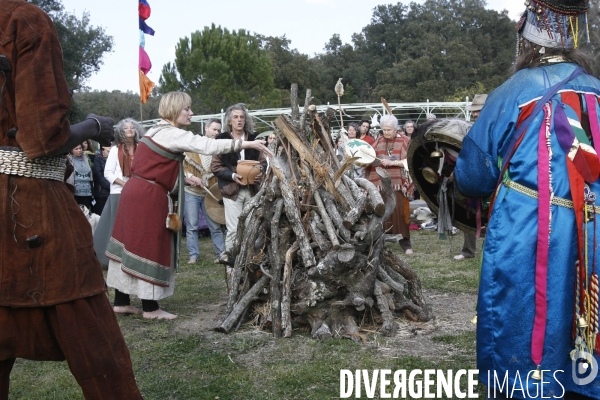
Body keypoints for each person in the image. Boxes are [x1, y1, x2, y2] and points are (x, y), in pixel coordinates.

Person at [454, 0, 600, 396]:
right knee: (586, 311)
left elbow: (471, 176)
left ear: (527, 39)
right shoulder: (598, 91)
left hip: (530, 227)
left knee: (526, 318)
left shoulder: (513, 91)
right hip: (593, 228)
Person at [0, 1, 142, 398]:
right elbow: (43, 139)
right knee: (98, 350)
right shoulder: (23, 20)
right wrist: (96, 125)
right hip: (32, 214)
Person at [106, 93, 272, 320]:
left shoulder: (154, 130)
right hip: (148, 196)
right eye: (187, 109)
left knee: (130, 244)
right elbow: (207, 145)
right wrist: (247, 142)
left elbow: (159, 164)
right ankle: (150, 308)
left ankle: (121, 301)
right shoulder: (171, 133)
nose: (191, 113)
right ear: (175, 110)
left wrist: (181, 181)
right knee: (149, 246)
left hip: (135, 192)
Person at [212, 103, 269, 265]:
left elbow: (263, 163)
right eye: (235, 117)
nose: (239, 120)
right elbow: (215, 167)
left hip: (252, 190)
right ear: (229, 121)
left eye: (242, 117)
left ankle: (250, 262)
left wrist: (259, 173)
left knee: (252, 228)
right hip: (232, 190)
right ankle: (232, 265)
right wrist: (232, 175)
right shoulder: (221, 139)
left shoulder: (254, 138)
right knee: (233, 229)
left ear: (246, 120)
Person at [93, 118, 143, 268]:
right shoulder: (115, 149)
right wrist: (125, 184)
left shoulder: (141, 148)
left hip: (138, 193)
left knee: (136, 226)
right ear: (121, 131)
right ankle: (113, 260)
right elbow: (108, 173)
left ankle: (134, 258)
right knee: (117, 227)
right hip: (119, 193)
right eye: (126, 128)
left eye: (132, 127)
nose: (129, 129)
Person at [366, 115, 414, 254]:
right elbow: (370, 157)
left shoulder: (405, 140)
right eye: (384, 129)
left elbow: (409, 161)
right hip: (381, 182)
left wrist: (392, 163)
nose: (386, 132)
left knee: (400, 211)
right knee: (382, 211)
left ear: (395, 128)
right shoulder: (379, 141)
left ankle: (405, 243)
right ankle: (380, 242)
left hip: (398, 182)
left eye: (389, 130)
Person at [183, 117, 225, 264]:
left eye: (218, 130)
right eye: (214, 129)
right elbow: (183, 166)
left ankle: (221, 254)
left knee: (215, 225)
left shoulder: (219, 148)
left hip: (211, 193)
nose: (216, 132)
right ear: (206, 128)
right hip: (192, 192)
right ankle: (193, 255)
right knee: (192, 225)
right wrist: (191, 177)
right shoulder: (193, 145)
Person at [453, 94, 487, 261]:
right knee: (468, 210)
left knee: (493, 214)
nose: (474, 114)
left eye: (478, 111)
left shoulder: (496, 126)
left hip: (491, 175)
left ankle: (492, 251)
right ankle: (468, 251)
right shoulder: (471, 128)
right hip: (471, 174)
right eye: (473, 111)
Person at [67, 143, 94, 210]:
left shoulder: (86, 158)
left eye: (80, 148)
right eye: (76, 149)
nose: (79, 150)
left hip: (87, 192)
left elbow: (91, 174)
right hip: (75, 192)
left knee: (86, 213)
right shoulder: (69, 159)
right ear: (71, 150)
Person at [91, 144, 111, 215]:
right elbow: (99, 176)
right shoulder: (98, 159)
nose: (110, 151)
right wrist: (110, 186)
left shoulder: (113, 159)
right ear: (103, 149)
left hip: (111, 192)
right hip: (101, 192)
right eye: (108, 149)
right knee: (100, 214)